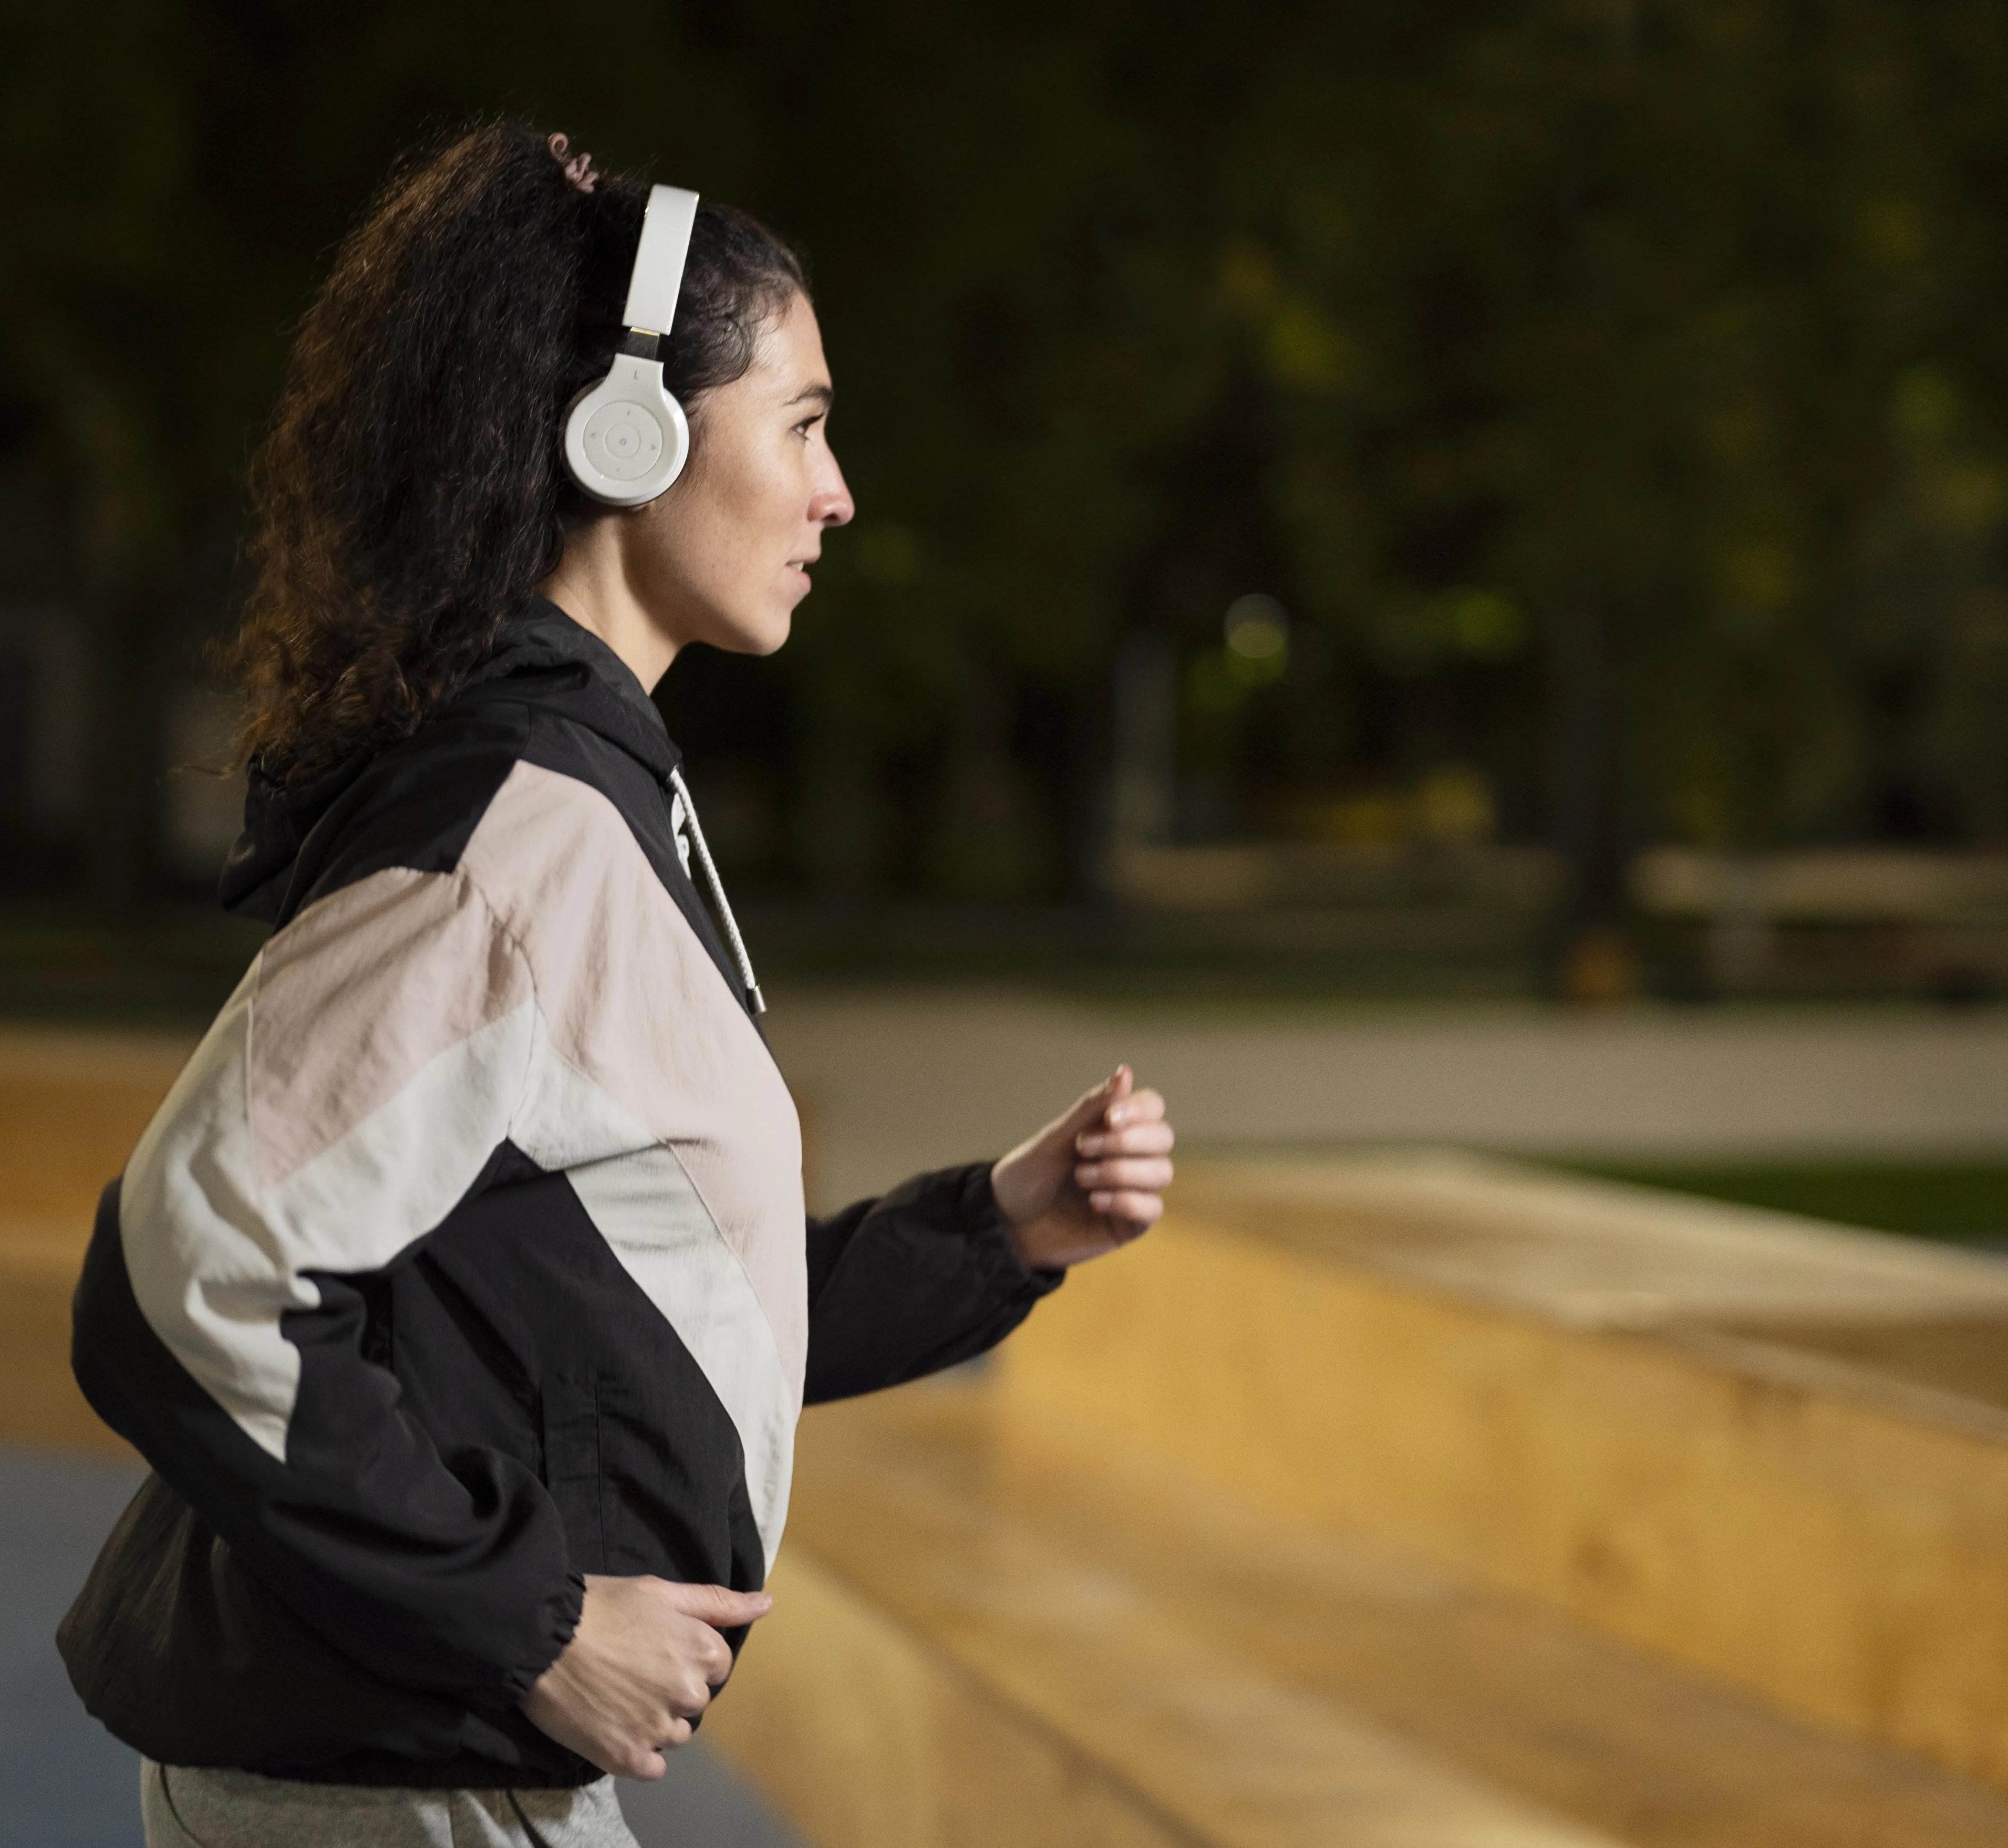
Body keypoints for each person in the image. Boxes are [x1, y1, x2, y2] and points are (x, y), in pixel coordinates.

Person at [57, 118, 1175, 1847]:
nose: (837, 489)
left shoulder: (588, 788)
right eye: (802, 423)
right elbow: (186, 1270)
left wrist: (991, 1232)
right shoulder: (516, 826)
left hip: (432, 1773)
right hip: (408, 1785)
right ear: (632, 431)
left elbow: (613, 1309)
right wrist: (537, 1620)